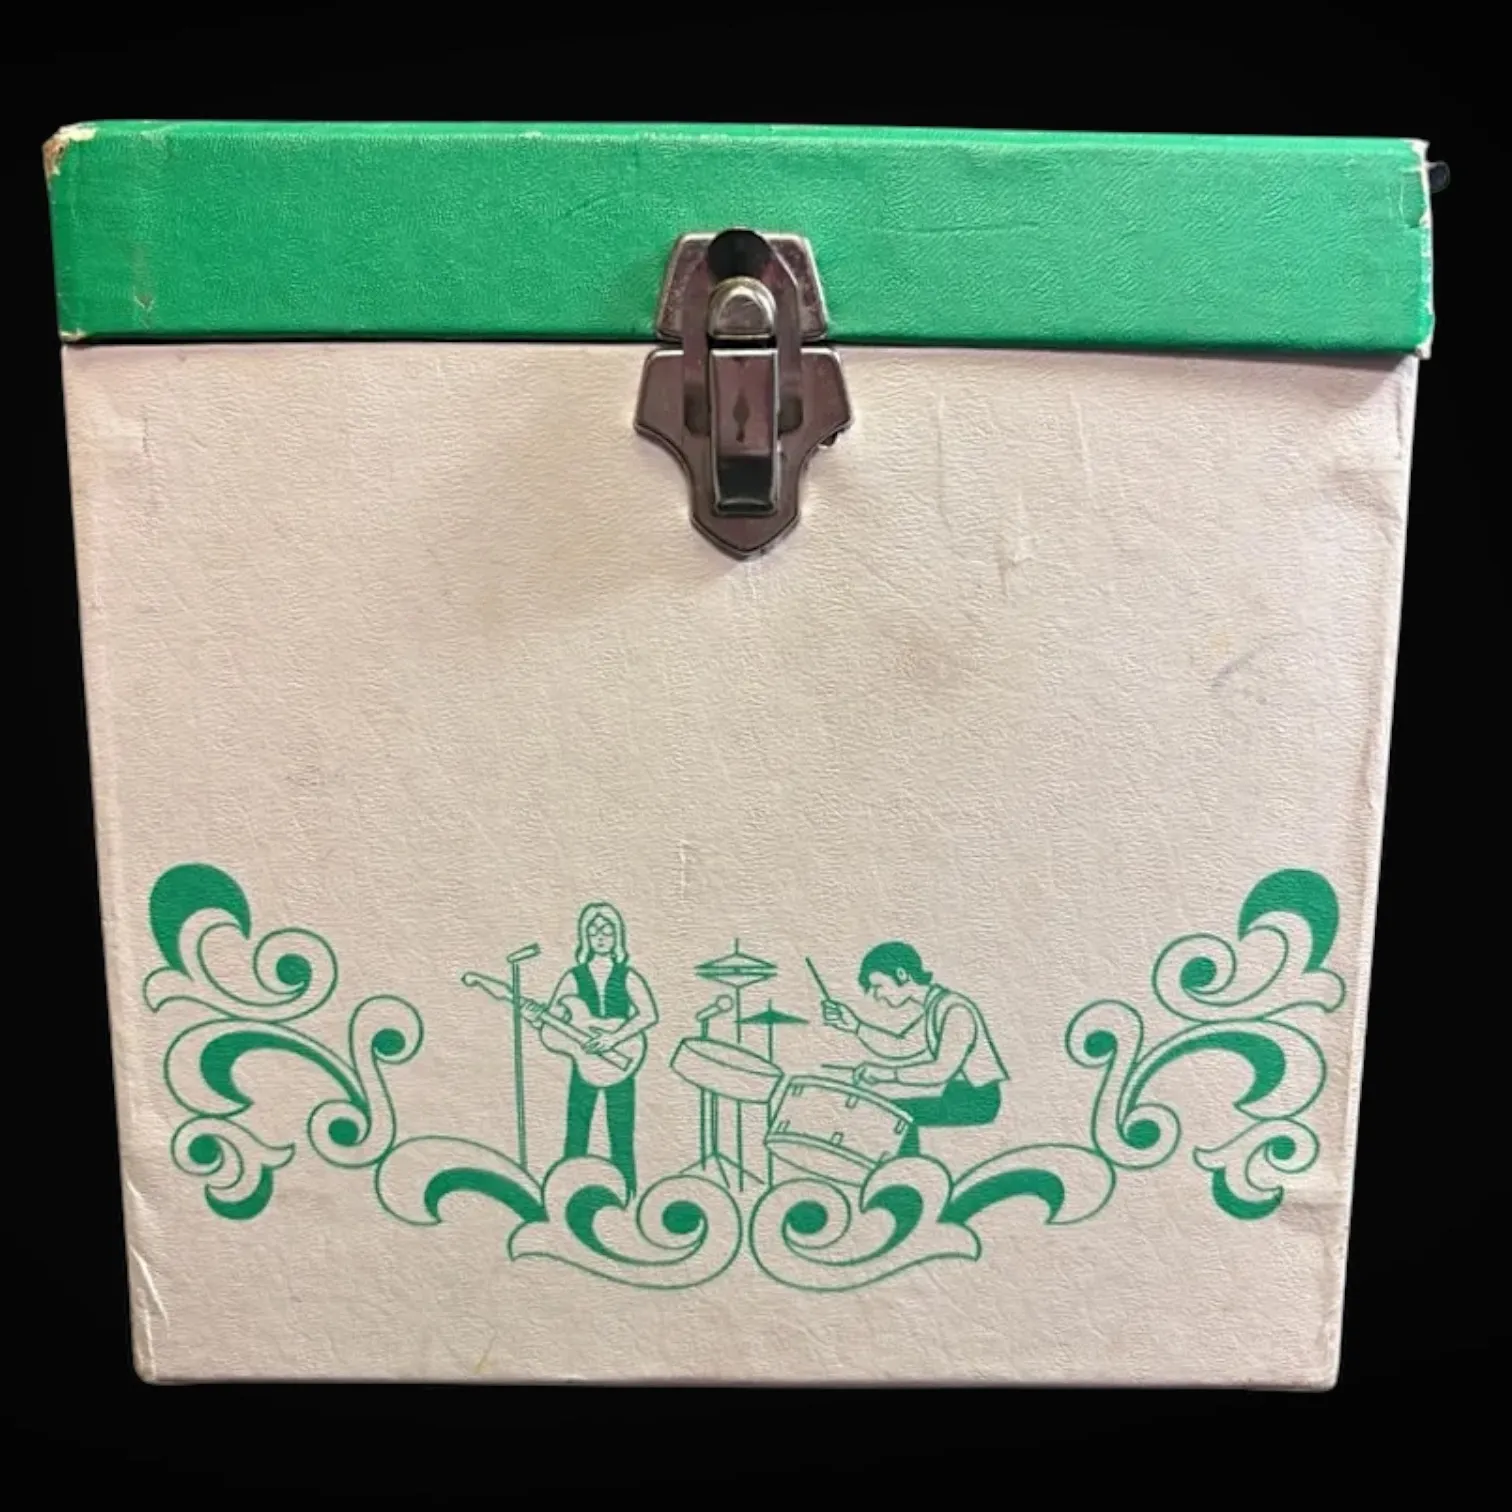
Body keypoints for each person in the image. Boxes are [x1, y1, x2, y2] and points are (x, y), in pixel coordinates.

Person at [821, 942, 1007, 1157]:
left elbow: (940, 1071)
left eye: (879, 986)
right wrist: (856, 1027)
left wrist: (885, 1074)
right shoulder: (936, 1007)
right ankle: (903, 1167)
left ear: (902, 974)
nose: (877, 995)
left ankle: (906, 1170)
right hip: (958, 1094)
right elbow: (900, 1046)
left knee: (894, 1115)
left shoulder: (955, 1010)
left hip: (978, 1100)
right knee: (887, 1111)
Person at [548, 902, 658, 1195]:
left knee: (621, 1132)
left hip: (622, 1063)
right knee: (576, 1131)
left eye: (607, 931)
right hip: (584, 1064)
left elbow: (648, 1015)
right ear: (585, 936)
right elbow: (554, 1017)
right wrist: (542, 1018)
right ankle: (567, 1193)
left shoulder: (627, 976)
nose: (600, 936)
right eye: (594, 931)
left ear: (617, 936)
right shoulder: (573, 976)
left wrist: (615, 1039)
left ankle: (627, 1194)